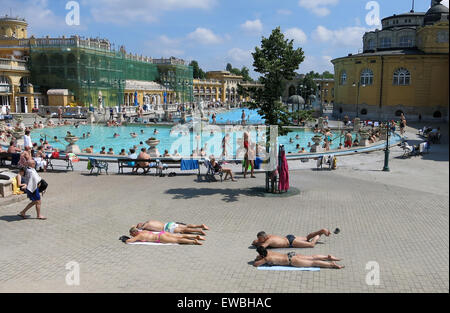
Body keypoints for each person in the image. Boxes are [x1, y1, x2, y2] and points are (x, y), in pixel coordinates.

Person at [253, 246, 344, 269]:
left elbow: (255, 265)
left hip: (292, 260)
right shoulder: (269, 252)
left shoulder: (266, 258)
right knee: (312, 257)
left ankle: (331, 264)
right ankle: (327, 257)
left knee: (313, 263)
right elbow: (262, 254)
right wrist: (260, 256)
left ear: (261, 254)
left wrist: (258, 259)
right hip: (291, 254)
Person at [252, 229, 332, 249]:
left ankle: (320, 233)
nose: (259, 240)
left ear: (264, 237)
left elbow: (261, 247)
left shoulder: (269, 241)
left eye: (260, 239)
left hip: (290, 242)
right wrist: (257, 242)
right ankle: (321, 230)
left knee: (311, 244)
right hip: (289, 237)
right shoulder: (268, 236)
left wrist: (257, 244)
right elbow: (255, 241)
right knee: (307, 238)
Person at [122, 227, 204, 245]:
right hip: (161, 233)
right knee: (178, 236)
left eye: (131, 234)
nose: (131, 235)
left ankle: (193, 241)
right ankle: (195, 236)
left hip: (159, 238)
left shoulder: (139, 236)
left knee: (177, 240)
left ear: (134, 233)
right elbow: (135, 229)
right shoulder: (144, 231)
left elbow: (129, 241)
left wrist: (125, 239)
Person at [135, 220, 209, 235]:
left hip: (167, 228)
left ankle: (199, 230)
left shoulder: (146, 226)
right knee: (186, 226)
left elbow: (139, 230)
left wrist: (139, 228)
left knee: (183, 230)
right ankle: (201, 225)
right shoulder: (149, 221)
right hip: (169, 223)